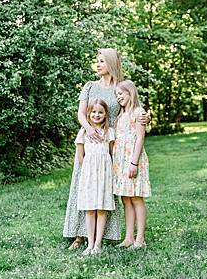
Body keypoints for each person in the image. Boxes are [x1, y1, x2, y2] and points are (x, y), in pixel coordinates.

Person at [64, 48, 149, 249]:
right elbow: (81, 114)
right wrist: (88, 131)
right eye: (97, 61)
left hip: (110, 147)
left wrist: (146, 116)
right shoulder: (89, 86)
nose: (98, 64)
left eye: (102, 61)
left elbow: (132, 109)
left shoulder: (118, 89)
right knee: (81, 187)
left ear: (110, 63)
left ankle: (107, 236)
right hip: (90, 144)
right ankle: (79, 235)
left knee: (106, 190)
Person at [113, 80, 152, 249]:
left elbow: (140, 138)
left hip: (132, 160)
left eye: (121, 93)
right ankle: (128, 237)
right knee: (126, 199)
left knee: (136, 198)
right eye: (117, 95)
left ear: (130, 93)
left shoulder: (138, 112)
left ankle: (140, 238)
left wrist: (133, 162)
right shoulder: (122, 115)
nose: (119, 97)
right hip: (120, 161)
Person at [74, 99, 116, 255]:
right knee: (90, 209)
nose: (96, 115)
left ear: (105, 114)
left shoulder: (109, 132)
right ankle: (89, 244)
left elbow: (111, 154)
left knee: (102, 209)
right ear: (88, 114)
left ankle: (98, 244)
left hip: (105, 175)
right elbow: (80, 156)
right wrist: (88, 172)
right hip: (89, 176)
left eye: (100, 112)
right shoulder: (84, 132)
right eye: (93, 112)